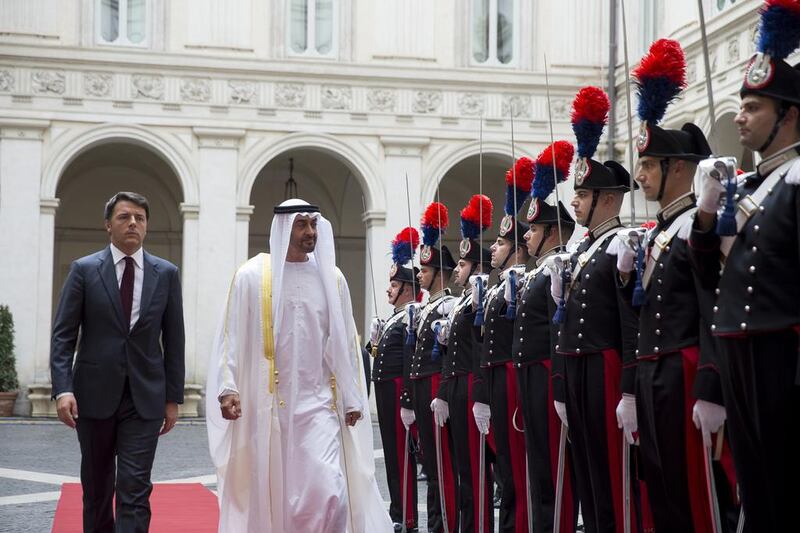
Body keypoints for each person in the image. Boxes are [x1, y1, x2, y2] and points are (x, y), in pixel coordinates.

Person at [611, 42, 739, 532]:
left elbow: (715, 303)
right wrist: (625, 277)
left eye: (648, 166)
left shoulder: (696, 226)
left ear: (678, 168)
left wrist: (710, 382)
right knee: (661, 491)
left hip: (686, 369)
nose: (640, 176)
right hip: (652, 373)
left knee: (699, 498)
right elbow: (641, 311)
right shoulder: (661, 232)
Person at [206, 198, 391, 533]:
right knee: (279, 494)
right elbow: (229, 337)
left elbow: (346, 344)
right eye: (301, 225)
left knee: (330, 492)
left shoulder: (332, 278)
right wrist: (227, 387)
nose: (310, 232)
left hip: (319, 404)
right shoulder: (251, 277)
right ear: (283, 228)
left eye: (313, 224)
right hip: (269, 407)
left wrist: (352, 397)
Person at [689, 3, 800, 528]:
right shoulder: (747, 190)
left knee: (785, 487)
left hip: (784, 354)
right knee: (755, 491)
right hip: (741, 350)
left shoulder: (796, 182)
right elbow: (707, 273)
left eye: (752, 107)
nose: (739, 116)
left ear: (789, 113)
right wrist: (707, 215)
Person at [50, 191, 185, 533]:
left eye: (140, 217)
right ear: (108, 225)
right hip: (92, 396)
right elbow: (63, 335)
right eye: (125, 217)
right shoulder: (84, 270)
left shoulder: (166, 273)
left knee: (135, 488)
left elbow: (174, 338)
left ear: (147, 226)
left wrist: (173, 398)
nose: (133, 223)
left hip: (145, 397)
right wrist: (62, 389)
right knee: (97, 489)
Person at [550, 89, 644, 533]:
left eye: (582, 195)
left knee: (611, 471)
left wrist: (628, 388)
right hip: (580, 369)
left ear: (607, 198)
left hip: (606, 366)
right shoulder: (585, 250)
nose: (575, 203)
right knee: (587, 468)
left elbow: (631, 323)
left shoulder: (621, 244)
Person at [513, 141, 578, 533]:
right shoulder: (539, 271)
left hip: (548, 373)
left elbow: (560, 329)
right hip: (529, 375)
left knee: (555, 468)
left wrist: (557, 384)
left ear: (553, 232)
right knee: (537, 466)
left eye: (534, 229)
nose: (527, 236)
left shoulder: (563, 265)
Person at [472, 160, 533, 533]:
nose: (493, 248)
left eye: (500, 243)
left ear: (517, 249)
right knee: (504, 469)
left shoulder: (524, 281)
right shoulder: (496, 287)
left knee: (517, 467)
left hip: (513, 377)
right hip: (495, 378)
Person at [431, 194, 495, 533]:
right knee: (461, 470)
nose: (457, 269)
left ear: (478, 268)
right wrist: (442, 391)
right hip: (455, 384)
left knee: (474, 468)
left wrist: (481, 395)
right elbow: (449, 355)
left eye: (463, 264)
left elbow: (483, 348)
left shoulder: (481, 297)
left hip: (471, 384)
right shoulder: (462, 303)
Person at [403, 201, 458, 533]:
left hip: (437, 385)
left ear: (440, 273)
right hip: (421, 385)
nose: (420, 275)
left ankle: (443, 525)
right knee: (430, 463)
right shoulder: (424, 308)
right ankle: (434, 522)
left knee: (442, 465)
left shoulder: (449, 304)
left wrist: (440, 393)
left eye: (424, 270)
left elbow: (449, 354)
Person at [368, 226, 421, 532]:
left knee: (403, 456)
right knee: (392, 455)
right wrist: (373, 343)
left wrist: (407, 400)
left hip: (399, 390)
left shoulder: (411, 316)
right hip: (386, 390)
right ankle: (398, 509)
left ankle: (409, 516)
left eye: (394, 284)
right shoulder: (395, 318)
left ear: (407, 288)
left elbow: (409, 361)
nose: (389, 289)